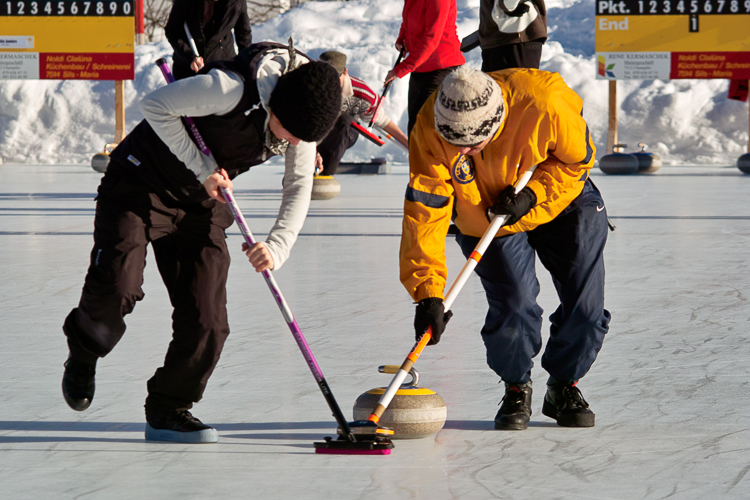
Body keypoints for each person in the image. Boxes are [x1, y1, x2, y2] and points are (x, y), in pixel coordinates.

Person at [60, 41, 341, 443]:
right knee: (119, 283)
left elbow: (299, 185)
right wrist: (203, 167)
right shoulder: (228, 88)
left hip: (200, 204)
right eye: (290, 135)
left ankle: (169, 406)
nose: (294, 144)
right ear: (275, 104)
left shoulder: (305, 116)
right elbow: (154, 105)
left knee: (209, 320)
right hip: (140, 184)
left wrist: (277, 246)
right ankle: (85, 348)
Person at [400, 66, 610, 431]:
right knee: (515, 305)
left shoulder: (545, 103)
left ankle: (564, 385)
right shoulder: (429, 125)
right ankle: (517, 386)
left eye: (471, 144)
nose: (462, 151)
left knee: (586, 309)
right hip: (485, 216)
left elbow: (578, 160)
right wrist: (428, 294)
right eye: (456, 143)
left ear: (496, 122)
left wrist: (533, 194)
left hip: (562, 198)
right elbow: (426, 211)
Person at [316, 50, 408, 176]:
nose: (328, 81)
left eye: (334, 76)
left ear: (345, 72)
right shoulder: (311, 86)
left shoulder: (362, 94)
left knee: (345, 121)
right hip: (313, 131)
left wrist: (410, 146)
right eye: (323, 75)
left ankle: (324, 175)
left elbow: (384, 122)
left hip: (341, 132)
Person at [384, 0, 466, 135]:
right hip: (421, 66)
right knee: (415, 129)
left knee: (427, 130)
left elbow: (432, 37)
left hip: (443, 67)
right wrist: (402, 38)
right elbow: (408, 19)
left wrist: (401, 68)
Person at [165, 0, 253, 81]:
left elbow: (244, 34)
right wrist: (189, 57)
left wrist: (247, 65)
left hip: (223, 68)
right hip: (188, 70)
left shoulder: (236, 2)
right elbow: (172, 30)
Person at [478, 0, 547, 72]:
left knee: (516, 81)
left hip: (514, 34)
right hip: (504, 35)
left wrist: (508, 5)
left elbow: (508, 4)